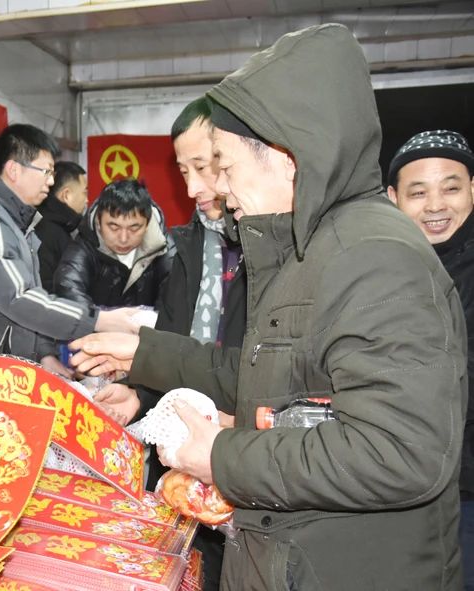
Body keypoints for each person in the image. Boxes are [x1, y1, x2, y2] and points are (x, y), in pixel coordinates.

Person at [70, 24, 466, 589]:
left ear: (286, 156)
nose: (219, 189)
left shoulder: (375, 259)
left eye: (226, 167)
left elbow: (398, 452)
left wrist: (222, 458)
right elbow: (265, 378)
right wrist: (145, 353)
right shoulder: (306, 248)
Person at [93, 97, 246, 591]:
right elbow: (178, 342)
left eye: (205, 166)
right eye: (184, 171)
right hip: (183, 463)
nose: (193, 187)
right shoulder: (192, 245)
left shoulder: (271, 248)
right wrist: (140, 397)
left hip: (243, 456)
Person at [0, 123, 138, 377]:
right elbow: (18, 298)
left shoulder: (15, 218)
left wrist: (44, 354)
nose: (51, 181)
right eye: (46, 171)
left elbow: (30, 293)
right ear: (14, 170)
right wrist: (99, 319)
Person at [387, 129, 474, 590]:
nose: (436, 205)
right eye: (418, 192)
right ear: (393, 199)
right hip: (400, 492)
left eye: (451, 188)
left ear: (473, 189)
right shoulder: (381, 271)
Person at [52, 178, 171, 309]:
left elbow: (176, 301)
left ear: (147, 224)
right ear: (99, 222)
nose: (123, 238)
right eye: (114, 227)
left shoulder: (164, 246)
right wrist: (106, 318)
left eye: (134, 228)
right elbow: (68, 292)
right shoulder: (85, 245)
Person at [35, 161, 88, 292]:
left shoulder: (63, 227)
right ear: (66, 195)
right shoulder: (48, 231)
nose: (87, 200)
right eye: (84, 193)